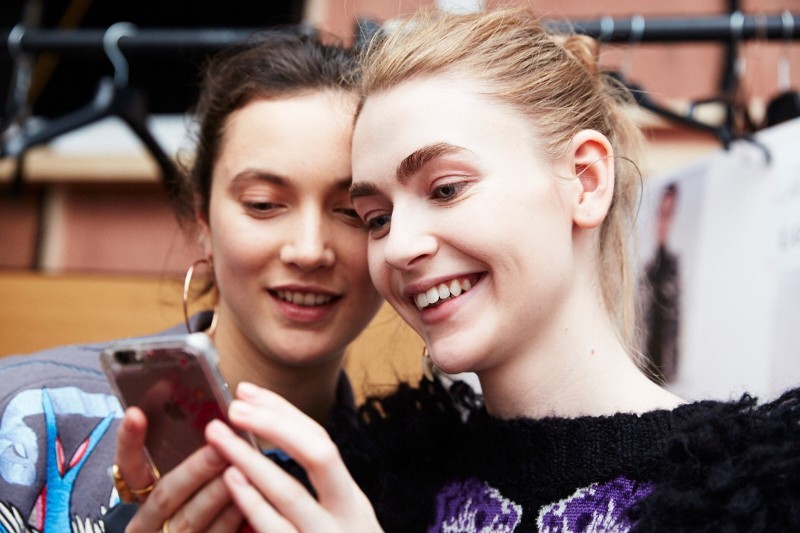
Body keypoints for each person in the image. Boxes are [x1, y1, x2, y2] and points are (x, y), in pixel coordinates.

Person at [197, 7, 800, 533]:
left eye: (446, 189)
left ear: (585, 180)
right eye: (375, 218)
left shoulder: (759, 492)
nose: (399, 246)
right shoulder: (380, 484)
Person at [0, 27, 383, 532]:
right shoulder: (27, 412)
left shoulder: (421, 486)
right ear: (203, 220)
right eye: (263, 204)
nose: (309, 251)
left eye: (353, 211)